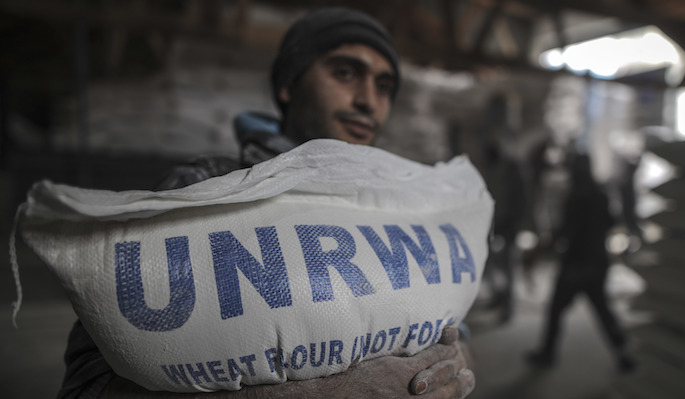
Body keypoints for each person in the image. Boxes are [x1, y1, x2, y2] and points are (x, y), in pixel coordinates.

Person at [58, 7, 474, 399]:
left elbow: (458, 335)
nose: (368, 100)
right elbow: (87, 385)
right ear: (288, 86)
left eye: (384, 86)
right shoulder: (206, 188)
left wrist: (457, 365)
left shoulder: (401, 206)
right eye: (346, 73)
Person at [526, 153, 634, 372]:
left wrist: (540, 252)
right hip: (598, 261)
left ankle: (547, 354)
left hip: (576, 264)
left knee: (556, 310)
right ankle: (624, 355)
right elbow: (612, 222)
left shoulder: (575, 197)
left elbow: (565, 231)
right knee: (602, 310)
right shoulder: (601, 195)